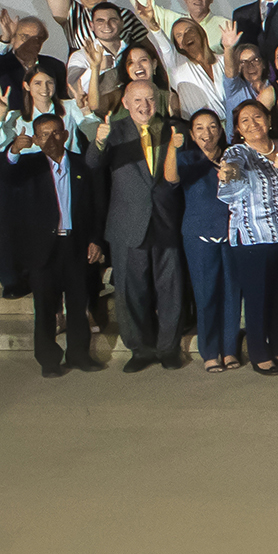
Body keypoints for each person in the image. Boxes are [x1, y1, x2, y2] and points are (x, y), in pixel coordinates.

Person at [0, 111, 105, 377]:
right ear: (36, 139)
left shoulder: (82, 165)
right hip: (42, 250)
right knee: (44, 308)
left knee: (78, 305)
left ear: (65, 135)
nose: (51, 139)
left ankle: (79, 355)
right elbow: (5, 174)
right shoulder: (28, 167)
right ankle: (49, 360)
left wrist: (96, 240)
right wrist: (13, 150)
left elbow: (97, 206)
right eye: (43, 135)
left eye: (55, 133)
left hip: (76, 246)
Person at [94, 80, 187, 371]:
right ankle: (140, 350)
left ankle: (168, 348)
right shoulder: (114, 131)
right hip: (128, 224)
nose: (144, 106)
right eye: (137, 100)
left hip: (166, 221)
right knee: (130, 291)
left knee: (170, 289)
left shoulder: (173, 129)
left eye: (149, 99)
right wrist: (98, 142)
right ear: (125, 102)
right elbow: (92, 165)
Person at [215, 102, 278, 376]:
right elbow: (231, 172)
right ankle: (259, 354)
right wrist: (229, 173)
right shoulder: (237, 152)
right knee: (257, 298)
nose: (253, 124)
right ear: (238, 129)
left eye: (257, 117)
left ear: (268, 120)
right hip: (252, 238)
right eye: (245, 121)